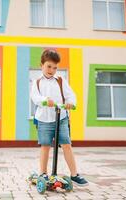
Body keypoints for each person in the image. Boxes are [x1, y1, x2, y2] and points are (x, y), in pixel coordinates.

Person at [30, 49, 89, 186]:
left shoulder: (61, 81)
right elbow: (35, 97)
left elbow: (71, 95)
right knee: (45, 146)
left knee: (66, 144)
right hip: (44, 119)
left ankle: (74, 174)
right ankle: (43, 173)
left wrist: (70, 103)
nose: (51, 70)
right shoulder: (37, 82)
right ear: (42, 65)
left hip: (61, 117)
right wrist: (45, 100)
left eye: (55, 67)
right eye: (48, 66)